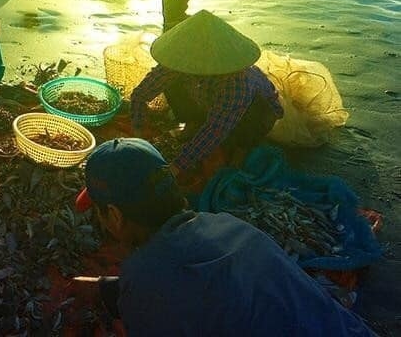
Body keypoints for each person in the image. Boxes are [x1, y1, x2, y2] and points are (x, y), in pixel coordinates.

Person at [73, 137, 376, 336]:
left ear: (114, 215)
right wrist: (104, 288)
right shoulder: (228, 226)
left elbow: (165, 286)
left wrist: (126, 293)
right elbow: (203, 281)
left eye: (99, 212)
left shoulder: (144, 281)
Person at [130, 10, 283, 186]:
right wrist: (139, 130)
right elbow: (141, 94)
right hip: (208, 102)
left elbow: (215, 130)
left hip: (253, 111)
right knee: (173, 83)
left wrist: (175, 167)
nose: (192, 66)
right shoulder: (180, 59)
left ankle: (242, 147)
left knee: (236, 135)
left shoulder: (237, 82)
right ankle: (193, 124)